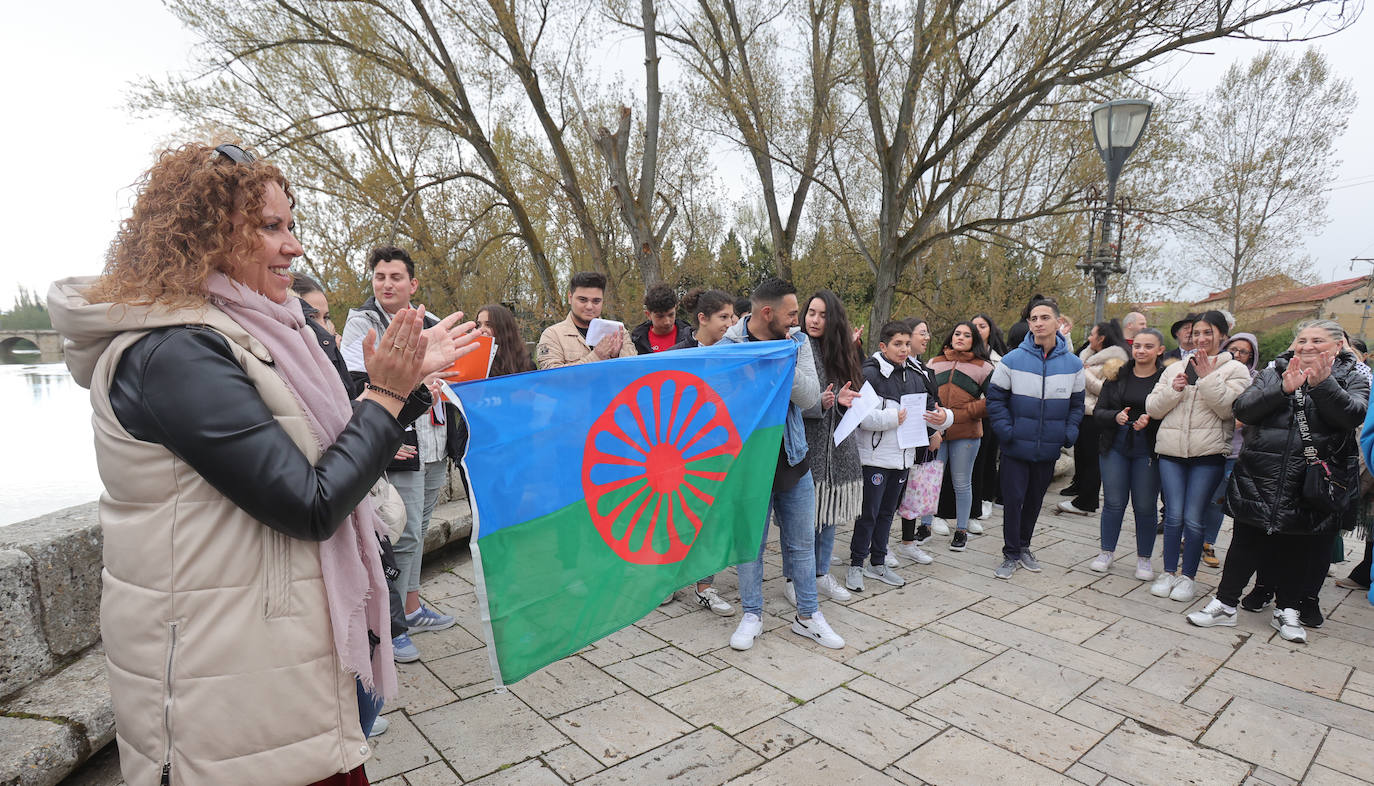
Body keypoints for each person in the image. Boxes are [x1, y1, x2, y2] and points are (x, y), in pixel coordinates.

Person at [49, 142, 474, 785]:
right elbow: (309, 501)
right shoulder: (174, 354)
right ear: (206, 238)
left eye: (291, 224)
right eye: (269, 228)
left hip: (274, 653)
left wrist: (406, 385)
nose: (293, 246)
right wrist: (386, 394)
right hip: (225, 676)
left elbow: (332, 455)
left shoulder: (256, 332)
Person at [1188, 320, 1368, 641]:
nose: (1307, 346)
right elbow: (1243, 408)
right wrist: (1282, 389)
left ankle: (1288, 611)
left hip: (1310, 479)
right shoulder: (1275, 370)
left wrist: (1323, 383)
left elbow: (1352, 415)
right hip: (1261, 472)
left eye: (1317, 340)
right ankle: (1225, 604)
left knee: (1298, 547)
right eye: (1302, 339)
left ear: (1337, 346)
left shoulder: (1352, 376)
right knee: (1245, 542)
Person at [343, 246, 467, 663]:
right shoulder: (363, 322)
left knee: (421, 526)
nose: (386, 284)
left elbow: (456, 372)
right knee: (401, 533)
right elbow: (358, 380)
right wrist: (420, 374)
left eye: (395, 277)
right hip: (398, 441)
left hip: (434, 439)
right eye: (379, 276)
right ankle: (391, 622)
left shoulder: (429, 322)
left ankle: (412, 607)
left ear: (412, 284)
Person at [720, 278, 844, 651]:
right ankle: (752, 614)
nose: (798, 321)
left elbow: (808, 398)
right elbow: (725, 403)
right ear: (767, 313)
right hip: (748, 465)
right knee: (751, 547)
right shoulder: (728, 347)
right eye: (792, 314)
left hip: (792, 457)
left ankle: (808, 616)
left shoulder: (796, 344)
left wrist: (777, 359)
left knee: (802, 544)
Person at [1145, 310, 1251, 603]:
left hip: (1208, 454)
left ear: (1223, 335)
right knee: (1173, 515)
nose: (1201, 338)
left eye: (1208, 332)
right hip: (1171, 451)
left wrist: (1207, 378)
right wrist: (1174, 390)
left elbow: (1229, 410)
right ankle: (1168, 572)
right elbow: (1153, 408)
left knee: (1193, 518)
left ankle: (1188, 577)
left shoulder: (1236, 370)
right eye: (1197, 333)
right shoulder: (1174, 367)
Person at [847, 322, 951, 590]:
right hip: (875, 458)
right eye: (898, 344)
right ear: (883, 346)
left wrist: (944, 418)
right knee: (868, 514)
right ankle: (856, 564)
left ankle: (878, 564)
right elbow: (861, 417)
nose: (904, 349)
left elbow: (932, 410)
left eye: (907, 344)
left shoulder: (916, 375)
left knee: (886, 514)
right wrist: (892, 417)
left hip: (904, 458)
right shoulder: (869, 373)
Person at [987, 296, 1085, 580]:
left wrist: (1068, 433)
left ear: (1058, 322)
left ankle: (1025, 545)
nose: (1039, 323)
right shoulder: (1012, 360)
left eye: (1045, 317)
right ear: (1028, 323)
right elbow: (995, 400)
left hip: (1049, 446)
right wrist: (1008, 431)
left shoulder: (1073, 364)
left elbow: (1077, 405)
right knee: (1013, 500)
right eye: (1034, 318)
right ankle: (1010, 553)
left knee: (1034, 500)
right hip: (1016, 445)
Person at [667, 288, 739, 615]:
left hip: (721, 453)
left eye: (733, 317)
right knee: (677, 517)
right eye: (723, 317)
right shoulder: (678, 354)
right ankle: (666, 579)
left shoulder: (739, 354)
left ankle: (705, 585)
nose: (730, 323)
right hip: (680, 454)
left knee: (714, 520)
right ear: (702, 318)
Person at [798, 290, 864, 602]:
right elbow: (791, 398)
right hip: (807, 448)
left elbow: (849, 390)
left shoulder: (841, 351)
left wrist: (844, 402)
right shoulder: (797, 346)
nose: (815, 320)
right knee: (804, 521)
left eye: (823, 315)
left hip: (838, 447)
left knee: (829, 516)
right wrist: (820, 404)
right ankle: (795, 578)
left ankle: (821, 573)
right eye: (812, 312)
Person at [1089, 328, 1166, 576]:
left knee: (1145, 505)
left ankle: (1144, 558)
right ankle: (1106, 552)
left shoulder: (1166, 378)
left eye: (1148, 346)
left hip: (1149, 447)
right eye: (1137, 346)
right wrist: (1116, 416)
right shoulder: (1117, 375)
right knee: (1113, 502)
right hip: (1116, 445)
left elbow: (1172, 413)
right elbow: (1098, 412)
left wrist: (1150, 420)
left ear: (1160, 350)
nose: (1141, 351)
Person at [926, 322, 994, 550]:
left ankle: (961, 530)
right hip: (936, 432)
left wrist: (963, 413)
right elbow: (923, 393)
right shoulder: (934, 363)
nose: (961, 338)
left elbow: (993, 401)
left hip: (967, 433)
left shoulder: (983, 367)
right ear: (950, 336)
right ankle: (924, 527)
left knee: (962, 482)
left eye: (967, 335)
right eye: (957, 333)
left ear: (974, 340)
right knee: (930, 480)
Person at [1199, 332, 1259, 569]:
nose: (1237, 354)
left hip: (1234, 450)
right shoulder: (1211, 373)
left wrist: (1223, 421)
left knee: (1217, 500)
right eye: (1233, 348)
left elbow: (1246, 415)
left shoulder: (1255, 381)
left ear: (1251, 356)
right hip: (1207, 445)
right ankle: (1188, 537)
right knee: (1199, 495)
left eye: (1244, 351)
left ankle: (1208, 542)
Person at [1059, 321, 1130, 517]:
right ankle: (1079, 488)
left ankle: (1087, 502)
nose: (1089, 338)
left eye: (1092, 334)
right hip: (1083, 410)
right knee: (1081, 455)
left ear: (1102, 338)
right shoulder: (1089, 355)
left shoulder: (1117, 359)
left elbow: (1104, 389)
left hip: (1097, 414)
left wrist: (1083, 372)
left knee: (1092, 459)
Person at [900, 318, 953, 556]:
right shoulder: (900, 368)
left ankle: (908, 542)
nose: (927, 337)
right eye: (922, 332)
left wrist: (939, 429)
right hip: (906, 438)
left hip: (924, 439)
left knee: (915, 489)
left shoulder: (924, 367)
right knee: (895, 493)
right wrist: (933, 431)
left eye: (927, 332)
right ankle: (878, 547)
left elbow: (934, 403)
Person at [535, 271, 637, 368]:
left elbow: (635, 371)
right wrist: (596, 357)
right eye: (582, 300)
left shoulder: (619, 332)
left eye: (596, 301)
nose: (589, 306)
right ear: (570, 298)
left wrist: (616, 357)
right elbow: (550, 377)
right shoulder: (553, 335)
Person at [971, 313, 1008, 516]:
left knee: (986, 458)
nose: (977, 329)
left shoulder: (999, 359)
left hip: (989, 413)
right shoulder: (961, 353)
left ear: (990, 330)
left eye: (982, 325)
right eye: (974, 325)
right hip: (964, 413)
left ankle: (985, 498)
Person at [630, 283, 693, 354]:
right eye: (660, 316)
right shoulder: (637, 341)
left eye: (671, 315)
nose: (667, 322)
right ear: (648, 315)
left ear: (675, 309)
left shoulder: (690, 337)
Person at [475, 303, 534, 376]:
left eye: (489, 325)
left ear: (504, 329)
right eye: (478, 325)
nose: (481, 329)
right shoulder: (472, 361)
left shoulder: (526, 364)